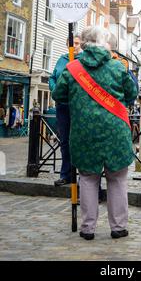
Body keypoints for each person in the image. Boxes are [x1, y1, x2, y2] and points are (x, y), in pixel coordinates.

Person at [52, 26, 138, 240]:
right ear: (102, 42)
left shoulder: (72, 68)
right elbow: (132, 93)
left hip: (83, 132)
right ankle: (118, 227)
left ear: (84, 43)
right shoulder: (118, 67)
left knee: (88, 179)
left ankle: (88, 228)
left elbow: (58, 94)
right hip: (115, 131)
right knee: (117, 179)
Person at [49, 34, 82, 186]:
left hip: (78, 106)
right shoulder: (61, 59)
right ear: (67, 44)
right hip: (62, 105)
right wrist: (55, 90)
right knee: (64, 141)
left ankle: (83, 176)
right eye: (71, 43)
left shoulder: (83, 60)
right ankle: (65, 174)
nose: (74, 46)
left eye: (77, 43)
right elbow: (52, 78)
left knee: (80, 140)